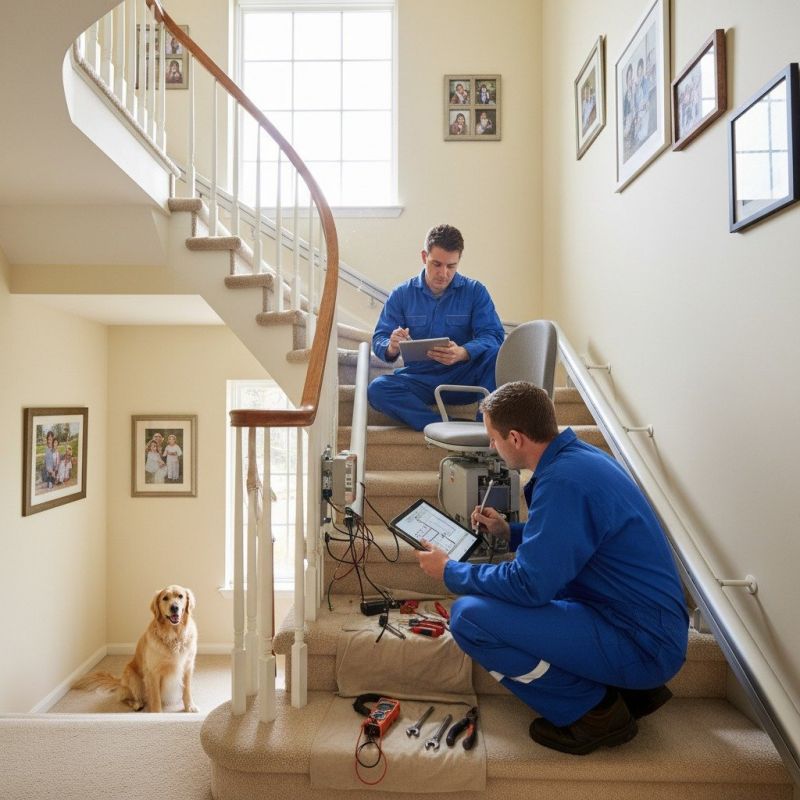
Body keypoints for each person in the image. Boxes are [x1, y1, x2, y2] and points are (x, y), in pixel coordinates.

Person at [415, 381, 689, 755]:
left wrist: (450, 571)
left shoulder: (562, 481)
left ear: (515, 438)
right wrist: (509, 532)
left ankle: (596, 713)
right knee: (540, 591)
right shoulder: (580, 460)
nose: (491, 447)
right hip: (641, 623)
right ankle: (620, 687)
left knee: (468, 617)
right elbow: (570, 538)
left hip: (643, 644)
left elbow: (529, 584)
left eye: (493, 439)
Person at [368, 224, 504, 432]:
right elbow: (379, 339)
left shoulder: (476, 291)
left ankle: (484, 427)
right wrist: (391, 346)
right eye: (437, 264)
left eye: (451, 266)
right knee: (378, 389)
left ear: (459, 261)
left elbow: (494, 335)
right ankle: (444, 426)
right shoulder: (402, 294)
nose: (443, 273)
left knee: (495, 354)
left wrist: (464, 352)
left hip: (464, 377)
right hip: (420, 379)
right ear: (424, 257)